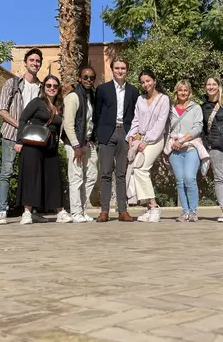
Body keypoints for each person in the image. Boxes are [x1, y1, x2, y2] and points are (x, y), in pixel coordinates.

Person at [15, 75, 72, 225]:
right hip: (33, 145)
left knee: (54, 179)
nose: (52, 88)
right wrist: (19, 141)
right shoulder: (37, 102)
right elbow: (23, 119)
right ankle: (27, 213)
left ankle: (60, 212)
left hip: (50, 146)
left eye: (55, 86)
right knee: (31, 178)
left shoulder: (60, 106)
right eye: (48, 85)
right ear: (44, 87)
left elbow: (60, 128)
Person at [0, 48, 43, 224]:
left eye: (38, 61)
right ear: (25, 62)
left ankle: (30, 212)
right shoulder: (13, 83)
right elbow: (1, 109)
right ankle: (1, 211)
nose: (35, 63)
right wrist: (20, 125)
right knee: (6, 172)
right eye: (32, 60)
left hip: (33, 138)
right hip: (11, 135)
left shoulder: (42, 88)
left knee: (31, 175)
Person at [94, 56, 139, 222]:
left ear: (127, 70)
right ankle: (104, 211)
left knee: (121, 174)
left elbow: (135, 115)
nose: (120, 71)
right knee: (105, 173)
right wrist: (99, 134)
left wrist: (133, 135)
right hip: (107, 133)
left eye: (123, 68)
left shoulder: (133, 91)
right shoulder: (102, 89)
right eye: (117, 68)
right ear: (112, 70)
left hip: (125, 134)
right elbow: (97, 113)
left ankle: (122, 211)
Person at [126, 70, 170, 222]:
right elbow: (136, 120)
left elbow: (160, 124)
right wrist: (131, 136)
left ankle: (154, 206)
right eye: (143, 82)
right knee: (136, 170)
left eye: (148, 81)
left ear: (154, 81)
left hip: (156, 140)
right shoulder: (140, 99)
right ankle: (148, 209)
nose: (146, 84)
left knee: (141, 169)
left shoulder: (164, 99)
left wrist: (147, 140)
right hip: (140, 138)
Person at [63, 65, 98, 223]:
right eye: (85, 77)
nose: (89, 80)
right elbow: (68, 124)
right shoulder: (73, 97)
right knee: (76, 177)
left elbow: (90, 121)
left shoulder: (91, 96)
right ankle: (75, 212)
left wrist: (91, 139)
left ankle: (82, 210)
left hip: (87, 142)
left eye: (92, 78)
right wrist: (76, 146)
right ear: (79, 78)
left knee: (91, 175)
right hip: (74, 143)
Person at [165, 80, 203, 222]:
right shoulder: (170, 110)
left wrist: (181, 140)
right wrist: (166, 149)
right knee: (180, 181)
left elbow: (198, 127)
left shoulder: (196, 108)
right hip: (174, 150)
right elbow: (167, 130)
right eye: (180, 90)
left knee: (189, 178)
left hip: (191, 147)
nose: (183, 93)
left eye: (185, 90)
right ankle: (185, 211)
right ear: (176, 92)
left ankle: (193, 211)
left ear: (189, 92)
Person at [201, 76, 223, 222]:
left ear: (219, 86)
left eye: (214, 84)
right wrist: (207, 143)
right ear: (205, 87)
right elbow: (203, 129)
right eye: (208, 84)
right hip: (215, 146)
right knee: (219, 179)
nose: (211, 87)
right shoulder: (203, 107)